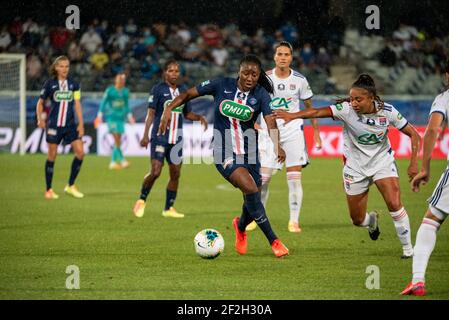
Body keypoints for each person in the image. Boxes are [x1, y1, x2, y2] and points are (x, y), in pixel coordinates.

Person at [274, 74, 421, 258]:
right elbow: (317, 112)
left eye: (358, 99)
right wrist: (293, 115)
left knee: (394, 203)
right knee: (357, 219)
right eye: (351, 99)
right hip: (355, 168)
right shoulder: (346, 109)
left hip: (382, 162)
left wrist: (414, 162)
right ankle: (371, 221)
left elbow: (414, 135)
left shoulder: (388, 112)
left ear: (371, 98)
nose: (353, 103)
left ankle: (408, 250)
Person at [158, 54, 290, 258]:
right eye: (246, 72)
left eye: (254, 74)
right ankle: (274, 240)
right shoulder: (221, 84)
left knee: (252, 192)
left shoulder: (262, 94)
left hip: (250, 152)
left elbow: (270, 121)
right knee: (249, 186)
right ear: (239, 70)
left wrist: (277, 144)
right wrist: (169, 107)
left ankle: (240, 226)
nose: (250, 78)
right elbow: (188, 94)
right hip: (223, 150)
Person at [246, 41, 322, 233]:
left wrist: (317, 133)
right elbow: (250, 100)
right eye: (279, 54)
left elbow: (310, 108)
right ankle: (256, 216)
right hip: (269, 133)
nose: (282, 57)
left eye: (286, 54)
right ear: (274, 57)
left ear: (291, 57)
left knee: (294, 178)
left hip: (293, 132)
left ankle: (294, 221)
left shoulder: (300, 80)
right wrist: (251, 121)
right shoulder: (264, 78)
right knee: (262, 180)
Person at [133, 59, 208, 219]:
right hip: (160, 137)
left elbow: (186, 113)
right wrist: (145, 134)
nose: (174, 74)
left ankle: (168, 208)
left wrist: (199, 117)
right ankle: (142, 199)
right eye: (171, 71)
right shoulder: (158, 89)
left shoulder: (183, 91)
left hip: (177, 140)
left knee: (175, 174)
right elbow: (151, 113)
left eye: (177, 71)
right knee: (155, 172)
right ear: (165, 72)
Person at [401, 60, 449, 296]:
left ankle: (418, 281)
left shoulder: (444, 98)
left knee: (431, 220)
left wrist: (426, 168)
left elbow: (431, 130)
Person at [36, 55, 85, 199]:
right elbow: (40, 103)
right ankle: (49, 190)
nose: (65, 69)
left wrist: (81, 124)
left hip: (70, 125)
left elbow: (77, 104)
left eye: (67, 66)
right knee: (52, 156)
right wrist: (40, 119)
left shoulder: (74, 84)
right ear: (56, 68)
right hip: (54, 126)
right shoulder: (49, 84)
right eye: (62, 66)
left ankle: (70, 185)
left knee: (80, 153)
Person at [95, 73, 135, 170]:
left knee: (118, 141)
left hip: (121, 119)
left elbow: (126, 105)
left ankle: (113, 162)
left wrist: (130, 116)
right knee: (116, 138)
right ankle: (122, 160)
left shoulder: (125, 91)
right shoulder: (110, 90)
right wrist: (99, 115)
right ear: (115, 80)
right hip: (111, 118)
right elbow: (103, 103)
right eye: (119, 79)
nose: (121, 81)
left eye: (122, 79)